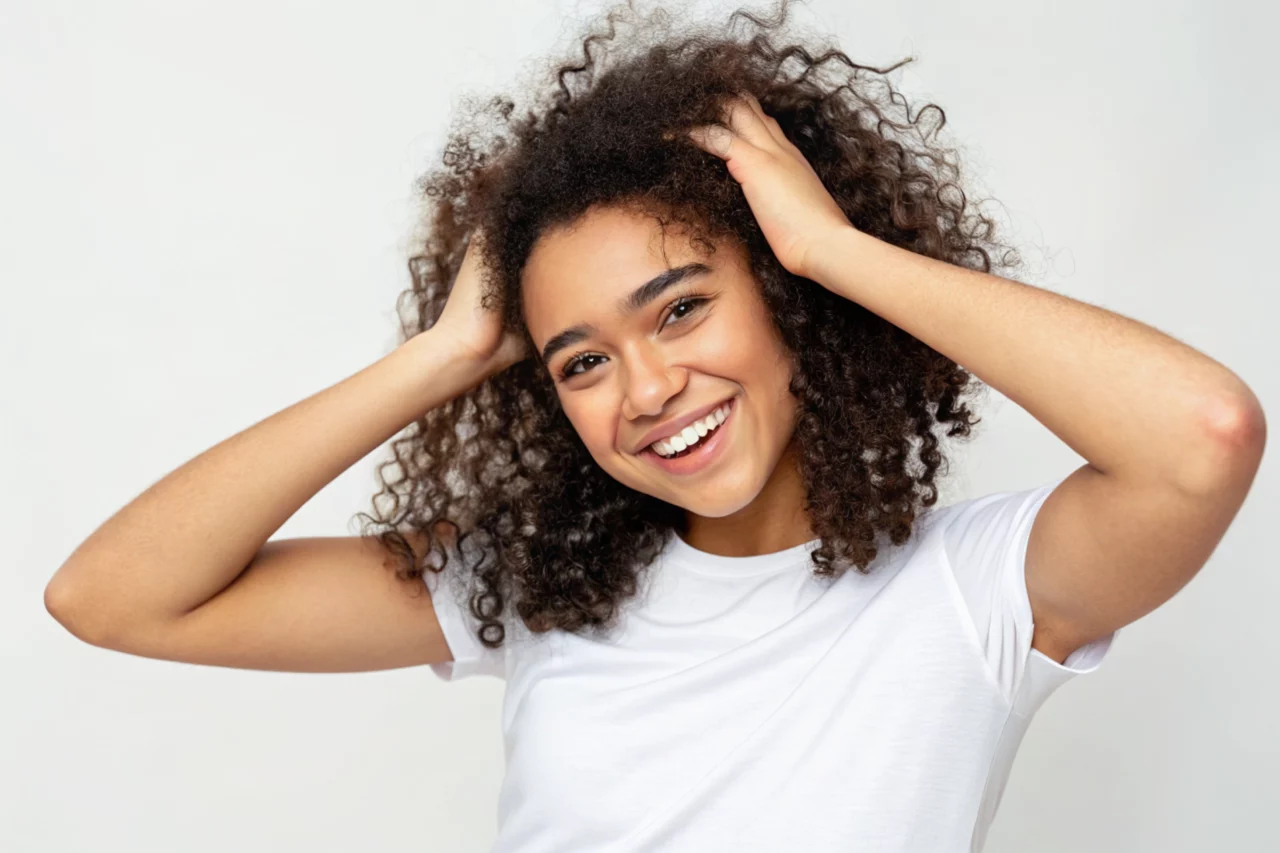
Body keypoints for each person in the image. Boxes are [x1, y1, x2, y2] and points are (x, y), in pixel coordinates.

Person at [44, 1, 1265, 850]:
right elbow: (115, 598)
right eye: (583, 359)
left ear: (789, 305)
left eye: (680, 307)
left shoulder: (976, 591)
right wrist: (444, 355)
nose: (644, 388)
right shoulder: (529, 587)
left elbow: (1202, 434)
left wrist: (832, 248)